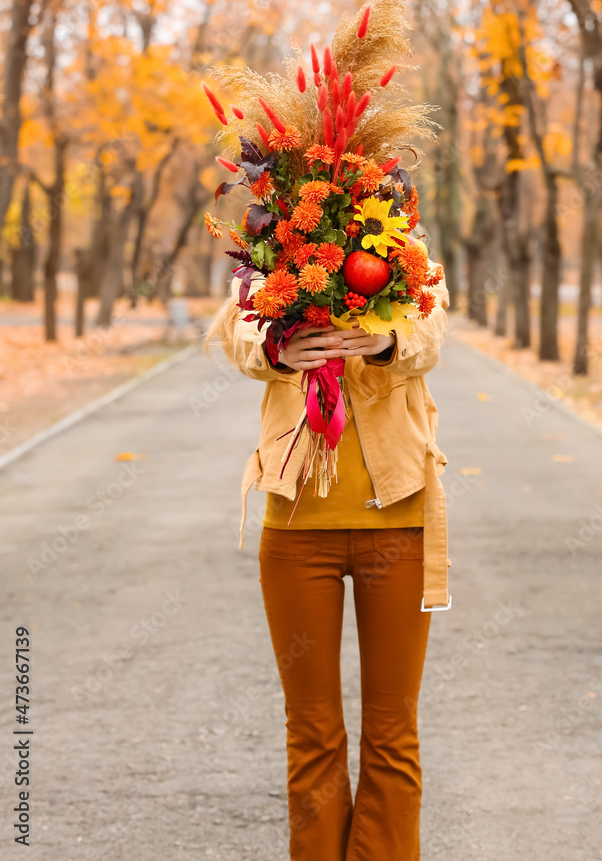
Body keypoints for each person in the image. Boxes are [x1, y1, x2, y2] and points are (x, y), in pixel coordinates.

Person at [204, 227, 451, 861]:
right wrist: (279, 351)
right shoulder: (277, 254)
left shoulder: (404, 254)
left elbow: (432, 331)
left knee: (393, 733)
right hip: (294, 527)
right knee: (311, 731)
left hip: (396, 521)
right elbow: (236, 330)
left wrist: (387, 339)